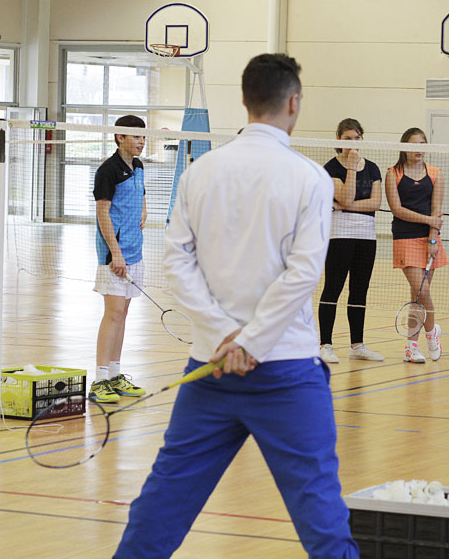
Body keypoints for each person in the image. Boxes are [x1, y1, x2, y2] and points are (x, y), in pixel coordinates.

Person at [116, 54, 358, 558]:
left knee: (162, 503)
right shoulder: (311, 177)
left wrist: (224, 336)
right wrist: (248, 341)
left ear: (244, 100)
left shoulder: (200, 172)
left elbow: (176, 263)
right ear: (294, 103)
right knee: (322, 517)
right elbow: (305, 272)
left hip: (212, 367)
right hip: (286, 370)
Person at [91, 114, 148, 404]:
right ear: (119, 138)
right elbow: (103, 214)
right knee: (112, 314)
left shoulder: (137, 166)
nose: (140, 142)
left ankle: (115, 374)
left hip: (134, 253)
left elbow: (141, 194)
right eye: (135, 136)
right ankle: (100, 379)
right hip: (115, 255)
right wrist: (116, 253)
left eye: (143, 137)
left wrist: (143, 210)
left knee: (123, 315)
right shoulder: (108, 170)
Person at [317, 118, 384, 363]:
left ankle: (358, 345)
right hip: (339, 234)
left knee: (360, 290)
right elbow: (346, 196)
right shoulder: (331, 168)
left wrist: (345, 205)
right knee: (333, 288)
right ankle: (325, 344)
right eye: (347, 139)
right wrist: (352, 170)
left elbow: (375, 203)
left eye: (357, 138)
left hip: (367, 235)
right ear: (338, 140)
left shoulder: (374, 168)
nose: (353, 143)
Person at [385, 127, 447, 364]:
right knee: (422, 291)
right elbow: (397, 209)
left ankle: (411, 346)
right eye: (413, 145)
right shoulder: (394, 173)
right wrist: (429, 220)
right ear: (404, 147)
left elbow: (436, 210)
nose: (418, 149)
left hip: (429, 240)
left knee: (417, 295)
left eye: (422, 144)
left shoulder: (435, 174)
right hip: (405, 237)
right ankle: (432, 334)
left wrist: (433, 237)